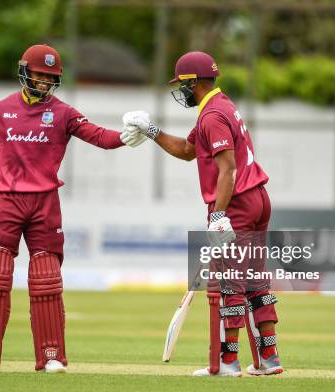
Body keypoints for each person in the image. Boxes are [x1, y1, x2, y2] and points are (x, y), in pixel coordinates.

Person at [0, 43, 145, 373]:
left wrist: (126, 136)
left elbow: (98, 135)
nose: (44, 82)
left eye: (50, 77)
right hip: (8, 200)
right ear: (25, 71)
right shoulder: (3, 109)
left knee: (46, 279)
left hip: (45, 203)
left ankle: (52, 355)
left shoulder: (63, 112)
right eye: (39, 75)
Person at [120, 51, 283, 377]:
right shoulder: (221, 106)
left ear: (193, 83)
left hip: (236, 202)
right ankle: (268, 358)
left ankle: (228, 362)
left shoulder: (211, 116)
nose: (181, 92)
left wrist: (219, 214)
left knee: (230, 284)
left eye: (182, 86)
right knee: (254, 281)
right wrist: (151, 130)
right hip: (258, 198)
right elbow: (186, 151)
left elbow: (228, 169)